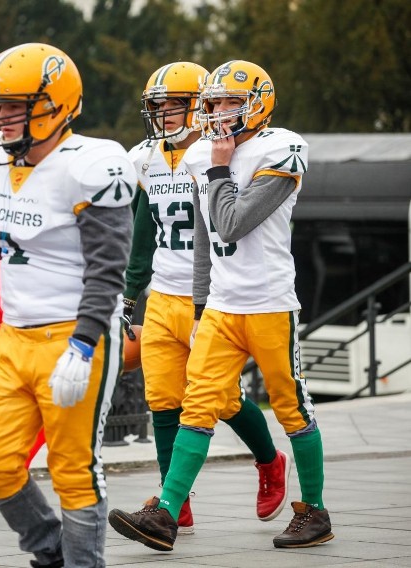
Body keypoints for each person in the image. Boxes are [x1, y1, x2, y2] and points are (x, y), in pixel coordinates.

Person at [0, 42, 136, 567]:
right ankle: (48, 547)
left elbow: (108, 270)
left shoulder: (92, 165)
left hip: (74, 333)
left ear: (57, 104)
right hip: (12, 336)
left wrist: (84, 345)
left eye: (17, 106)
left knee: (73, 468)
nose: (3, 117)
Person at [107, 60, 332, 552]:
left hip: (270, 302)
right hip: (221, 307)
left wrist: (217, 166)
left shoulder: (281, 148)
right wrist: (204, 304)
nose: (222, 112)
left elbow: (232, 222)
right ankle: (166, 514)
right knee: (196, 406)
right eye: (216, 103)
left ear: (258, 104)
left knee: (292, 407)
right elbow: (208, 240)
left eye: (232, 102)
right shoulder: (199, 156)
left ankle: (314, 510)